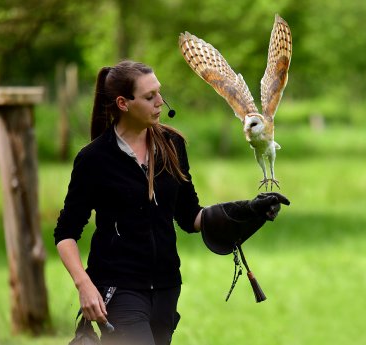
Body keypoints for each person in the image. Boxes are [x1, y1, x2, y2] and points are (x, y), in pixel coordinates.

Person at [54, 60, 289, 345]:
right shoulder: (94, 159)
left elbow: (190, 216)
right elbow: (66, 233)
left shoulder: (172, 145)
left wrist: (248, 209)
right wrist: (85, 286)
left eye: (159, 93)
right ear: (123, 103)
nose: (160, 102)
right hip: (118, 287)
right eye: (149, 96)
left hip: (166, 286)